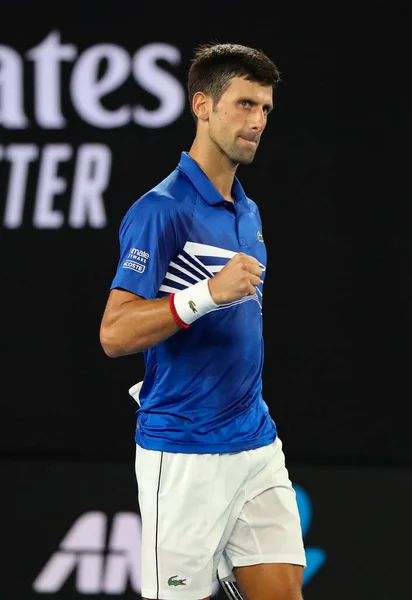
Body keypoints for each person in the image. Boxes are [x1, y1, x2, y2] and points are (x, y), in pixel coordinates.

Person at [100, 42, 306, 600]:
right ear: (202, 106)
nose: (257, 121)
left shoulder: (247, 210)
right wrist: (205, 294)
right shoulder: (159, 210)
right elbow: (115, 334)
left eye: (265, 109)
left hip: (255, 442)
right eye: (243, 104)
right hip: (184, 452)